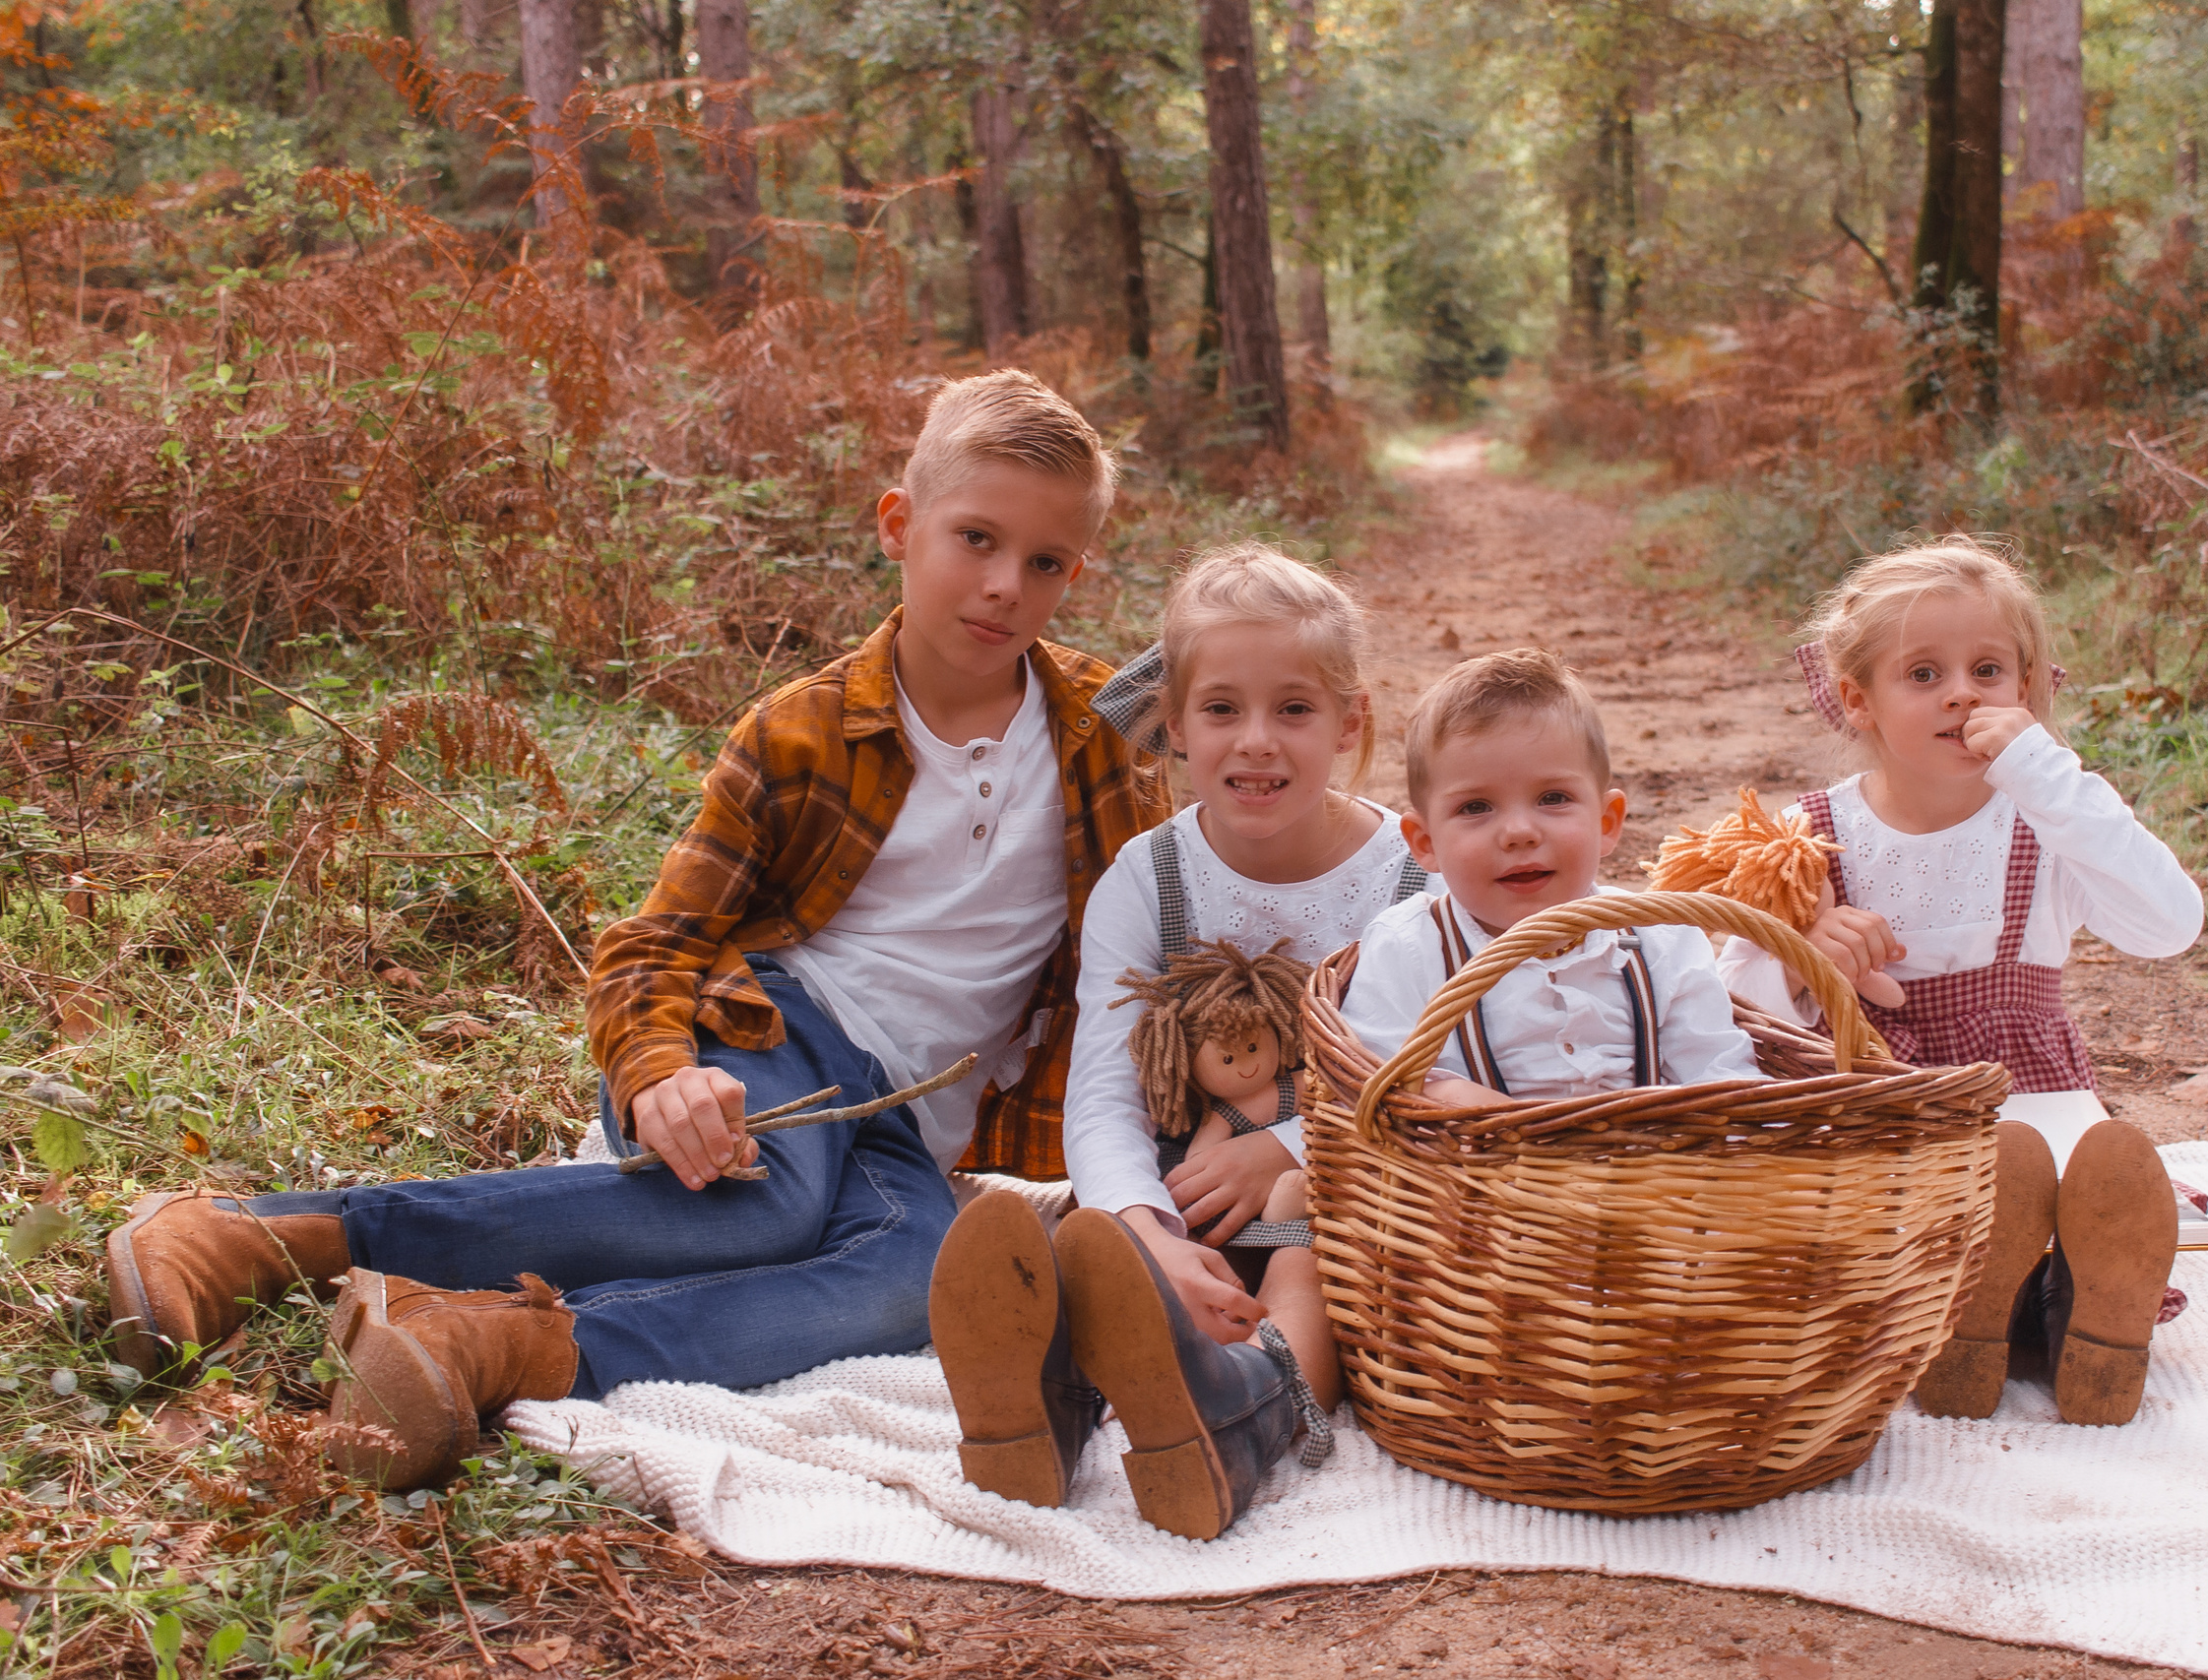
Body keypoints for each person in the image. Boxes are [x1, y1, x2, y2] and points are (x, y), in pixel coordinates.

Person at [102, 370, 1170, 1489]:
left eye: (1044, 562)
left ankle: (485, 1342)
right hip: (774, 1034)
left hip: (906, 1118)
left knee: (913, 1280)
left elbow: (1235, 770)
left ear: (1075, 574)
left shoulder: (1100, 733)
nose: (1004, 586)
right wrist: (660, 1070)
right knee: (767, 1205)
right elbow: (656, 941)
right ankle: (270, 1236)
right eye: (975, 539)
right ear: (899, 526)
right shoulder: (803, 731)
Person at [929, 542, 1416, 1541]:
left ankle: (1244, 1414)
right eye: (1223, 710)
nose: (1256, 743)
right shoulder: (1147, 879)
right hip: (1179, 1188)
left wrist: (1278, 1150)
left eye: (1294, 709)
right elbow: (1103, 1096)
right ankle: (1041, 1413)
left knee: (1308, 1252)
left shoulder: (1411, 878)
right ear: (1177, 727)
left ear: (1350, 721)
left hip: (1342, 1180)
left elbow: (1416, 1075)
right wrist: (1148, 1235)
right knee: (1089, 1239)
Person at [1717, 534, 2205, 1427]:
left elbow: (2170, 925)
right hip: (1876, 1105)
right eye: (1925, 673)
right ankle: (1976, 1308)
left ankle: (2071, 1318)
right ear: (1858, 699)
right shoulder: (1808, 834)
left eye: (1989, 669)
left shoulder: (2048, 819)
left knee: (2045, 1179)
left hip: (2026, 1101)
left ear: (2030, 688)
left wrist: (2047, 771)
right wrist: (1803, 950)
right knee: (1861, 1224)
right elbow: (1727, 1010)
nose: (1961, 694)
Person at [1340, 647, 1766, 1111]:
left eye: (1553, 798)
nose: (1519, 833)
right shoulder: (1407, 948)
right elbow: (1378, 1081)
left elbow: (1723, 1078)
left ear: (1606, 822)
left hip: (1653, 1171)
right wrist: (1479, 1111)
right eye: (1475, 808)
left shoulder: (1664, 940)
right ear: (1424, 842)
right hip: (1467, 1176)